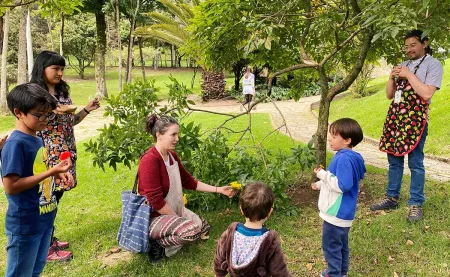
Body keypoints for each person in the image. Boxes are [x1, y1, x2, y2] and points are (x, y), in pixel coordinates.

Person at [30, 50, 101, 261]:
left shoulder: (62, 93)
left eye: (62, 69)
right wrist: (50, 111)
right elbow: (31, 122)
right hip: (48, 153)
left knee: (55, 198)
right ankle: (44, 247)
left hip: (67, 152)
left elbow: (69, 122)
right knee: (47, 199)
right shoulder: (35, 93)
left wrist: (86, 110)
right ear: (42, 68)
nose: (60, 73)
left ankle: (48, 239)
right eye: (55, 68)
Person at [139, 115, 236, 262]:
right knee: (191, 232)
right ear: (159, 135)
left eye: (178, 134)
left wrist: (219, 189)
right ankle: (156, 244)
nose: (177, 138)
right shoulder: (149, 160)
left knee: (202, 227)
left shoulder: (171, 155)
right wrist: (178, 219)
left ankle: (176, 230)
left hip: (173, 210)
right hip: (153, 217)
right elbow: (155, 201)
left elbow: (189, 182)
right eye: (173, 134)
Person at [1, 83, 74, 277]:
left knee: (35, 271)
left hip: (43, 218)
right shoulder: (16, 143)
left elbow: (33, 172)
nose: (45, 120)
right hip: (25, 224)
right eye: (39, 115)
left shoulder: (36, 138)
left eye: (48, 114)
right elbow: (11, 186)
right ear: (19, 112)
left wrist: (57, 173)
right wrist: (51, 173)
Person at [371, 30, 443, 222]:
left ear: (424, 43)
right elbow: (389, 94)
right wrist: (391, 77)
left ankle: (416, 203)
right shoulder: (402, 65)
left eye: (413, 45)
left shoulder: (433, 64)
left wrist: (408, 74)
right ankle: (392, 197)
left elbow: (427, 94)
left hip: (416, 120)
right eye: (406, 46)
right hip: (396, 118)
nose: (409, 49)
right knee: (394, 160)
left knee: (415, 163)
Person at [311, 118, 366, 277]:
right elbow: (337, 178)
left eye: (334, 136)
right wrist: (321, 184)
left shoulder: (343, 158)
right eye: (330, 135)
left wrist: (321, 174)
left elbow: (342, 185)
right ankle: (341, 273)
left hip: (336, 213)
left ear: (347, 140)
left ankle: (333, 273)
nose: (329, 139)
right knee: (341, 245)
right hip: (345, 213)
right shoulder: (353, 157)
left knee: (331, 246)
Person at [214, 182, 291, 277]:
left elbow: (220, 258)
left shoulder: (230, 233)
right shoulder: (269, 241)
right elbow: (279, 270)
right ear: (269, 212)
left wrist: (219, 274)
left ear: (241, 209)